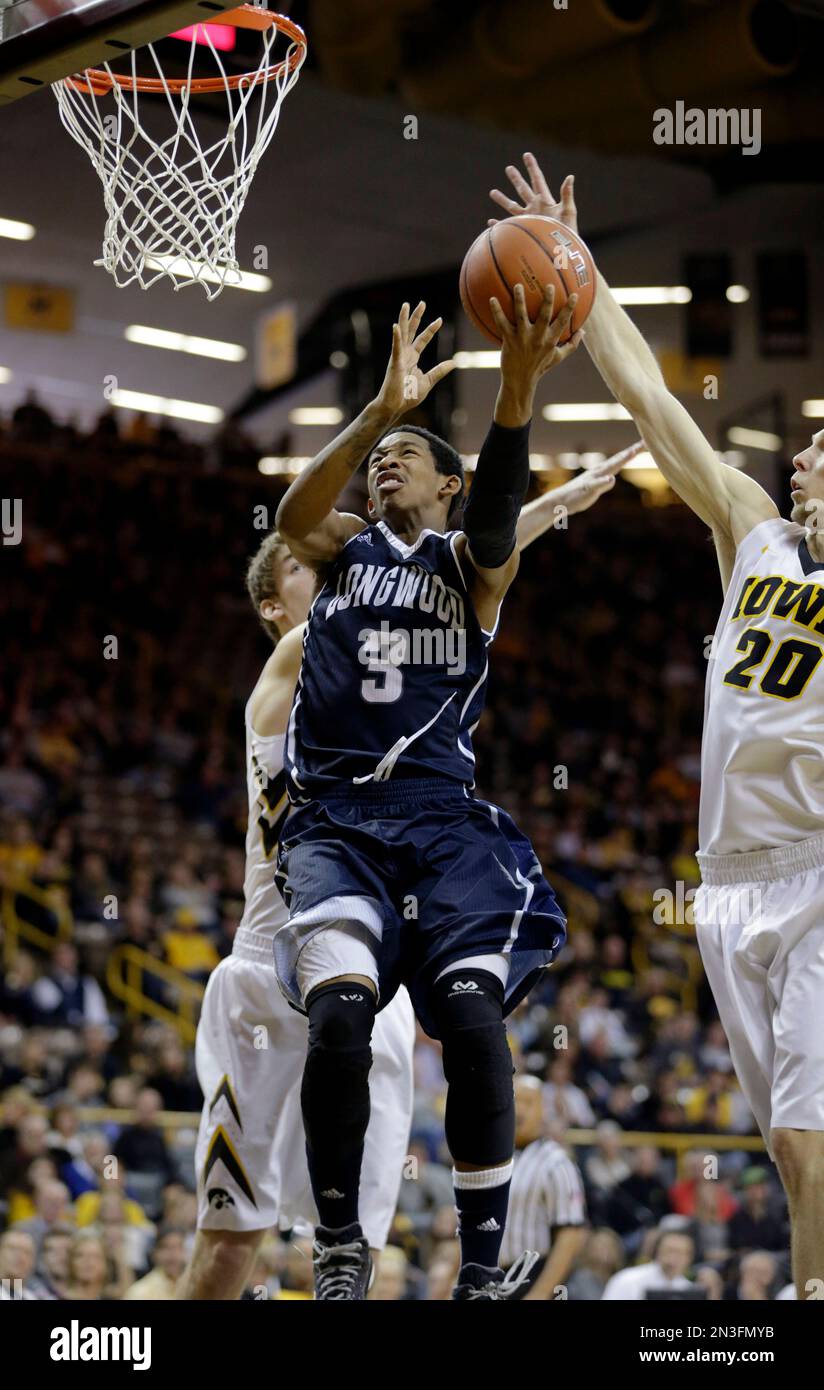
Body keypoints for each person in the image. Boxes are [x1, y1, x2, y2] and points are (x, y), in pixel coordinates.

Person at [490, 150, 824, 1302]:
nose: (802, 456)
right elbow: (649, 399)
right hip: (726, 878)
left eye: (822, 453)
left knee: (802, 1137)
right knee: (783, 1141)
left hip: (822, 867)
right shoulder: (752, 532)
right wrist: (579, 272)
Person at [273, 289, 582, 1301]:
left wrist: (518, 387)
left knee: (475, 1021)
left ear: (449, 487)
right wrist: (374, 410)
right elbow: (293, 515)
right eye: (380, 456)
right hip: (336, 824)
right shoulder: (340, 550)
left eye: (409, 453)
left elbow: (499, 511)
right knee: (339, 1020)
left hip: (443, 828)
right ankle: (338, 1246)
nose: (386, 462)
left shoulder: (469, 565)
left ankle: (482, 1266)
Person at [179, 538, 417, 1301]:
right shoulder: (281, 676)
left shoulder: (402, 692)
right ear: (273, 606)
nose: (331, 569)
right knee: (227, 1246)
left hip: (367, 980)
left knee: (351, 1262)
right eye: (303, 564)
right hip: (264, 978)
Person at [498, 1076, 587, 1299]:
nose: (520, 1110)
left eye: (529, 1102)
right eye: (514, 1101)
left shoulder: (556, 1163)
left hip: (530, 1276)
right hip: (488, 1277)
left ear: (543, 1110)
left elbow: (570, 1235)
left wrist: (539, 1294)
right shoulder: (488, 1158)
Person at [601, 1228, 696, 1300]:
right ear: (657, 1252)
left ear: (689, 1258)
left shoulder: (689, 1290)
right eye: (669, 1251)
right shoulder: (627, 1279)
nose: (674, 1258)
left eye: (680, 1253)